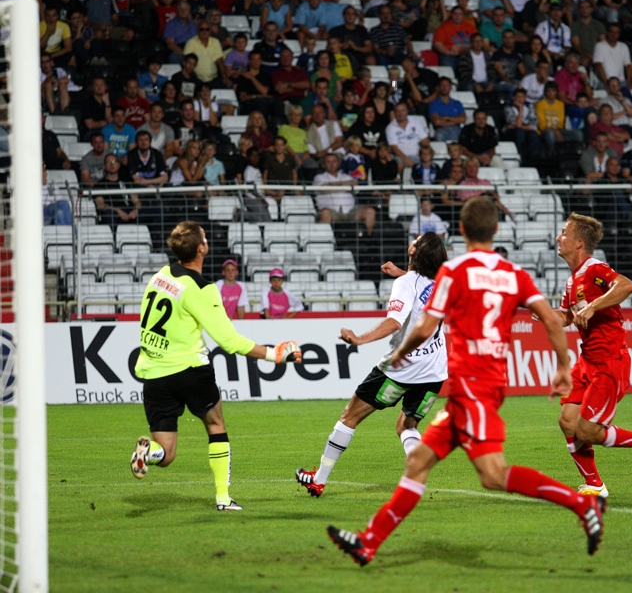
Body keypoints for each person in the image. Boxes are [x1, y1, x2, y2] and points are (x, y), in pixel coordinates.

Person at [327, 195, 606, 566]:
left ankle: (581, 504)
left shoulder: (453, 273)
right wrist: (559, 367)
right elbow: (553, 320)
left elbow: (426, 324)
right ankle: (368, 543)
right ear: (495, 229)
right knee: (418, 464)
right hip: (478, 387)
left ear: (461, 229)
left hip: (472, 388)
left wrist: (399, 353)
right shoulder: (514, 274)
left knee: (493, 475)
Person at [130, 221, 302, 513]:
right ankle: (223, 498)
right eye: (205, 238)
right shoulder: (202, 288)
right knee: (215, 424)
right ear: (201, 248)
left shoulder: (160, 276)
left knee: (167, 454)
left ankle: (150, 452)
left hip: (153, 372)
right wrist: (274, 354)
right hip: (189, 370)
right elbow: (229, 340)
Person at [296, 233, 448, 496]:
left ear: (415, 252)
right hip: (434, 370)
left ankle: (319, 479)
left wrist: (360, 339)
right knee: (406, 426)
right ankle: (417, 473)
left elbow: (395, 321)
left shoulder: (406, 283)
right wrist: (402, 274)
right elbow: (423, 293)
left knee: (349, 416)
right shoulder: (443, 283)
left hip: (401, 368)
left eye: (415, 240)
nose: (411, 240)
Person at [555, 213, 632, 498]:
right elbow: (566, 317)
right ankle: (594, 485)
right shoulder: (572, 281)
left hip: (609, 361)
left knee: (588, 431)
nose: (558, 237)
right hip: (587, 361)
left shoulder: (594, 269)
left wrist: (593, 307)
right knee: (567, 421)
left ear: (578, 242)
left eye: (564, 232)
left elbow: (626, 285)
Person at [312, 153, 375, 235]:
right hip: (332, 211)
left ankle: (369, 241)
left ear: (338, 163)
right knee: (325, 213)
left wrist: (333, 186)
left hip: (350, 210)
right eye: (328, 162)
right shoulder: (319, 177)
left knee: (370, 211)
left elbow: (355, 185)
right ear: (324, 165)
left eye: (334, 161)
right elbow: (324, 188)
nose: (332, 164)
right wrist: (344, 186)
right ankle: (325, 241)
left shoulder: (346, 176)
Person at [94, 154, 139, 228]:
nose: (112, 164)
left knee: (155, 211)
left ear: (118, 164)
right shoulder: (99, 185)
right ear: (104, 166)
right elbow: (100, 205)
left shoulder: (127, 180)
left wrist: (135, 210)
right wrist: (118, 211)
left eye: (114, 161)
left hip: (130, 211)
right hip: (113, 212)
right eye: (108, 162)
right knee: (108, 215)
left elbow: (137, 201)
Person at [386, 102, 430, 173]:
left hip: (417, 155)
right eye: (398, 111)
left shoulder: (416, 122)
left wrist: (425, 153)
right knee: (400, 165)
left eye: (403, 111)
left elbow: (425, 140)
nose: (400, 114)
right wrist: (407, 160)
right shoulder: (390, 128)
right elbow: (394, 148)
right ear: (394, 113)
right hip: (400, 156)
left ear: (407, 111)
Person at [503, 88, 542, 162]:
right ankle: (520, 156)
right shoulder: (508, 108)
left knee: (533, 135)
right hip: (512, 131)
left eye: (522, 97)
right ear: (513, 97)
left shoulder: (530, 107)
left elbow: (534, 124)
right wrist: (520, 109)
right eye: (518, 96)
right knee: (520, 132)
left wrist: (523, 126)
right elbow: (517, 125)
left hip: (526, 129)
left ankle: (534, 160)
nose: (520, 99)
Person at [183, 20, 225, 86]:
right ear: (197, 31)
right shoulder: (191, 42)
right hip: (196, 79)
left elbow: (220, 61)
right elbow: (186, 63)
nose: (204, 32)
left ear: (210, 31)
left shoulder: (216, 42)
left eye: (207, 29)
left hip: (214, 79)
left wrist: (225, 77)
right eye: (201, 29)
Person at [534, 4, 572, 69]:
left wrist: (564, 54)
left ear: (562, 13)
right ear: (549, 12)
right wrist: (552, 54)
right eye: (553, 10)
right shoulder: (542, 25)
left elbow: (568, 45)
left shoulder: (566, 28)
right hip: (545, 54)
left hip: (561, 55)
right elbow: (538, 44)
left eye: (558, 11)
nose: (556, 13)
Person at [429, 77, 466, 142]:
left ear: (450, 87)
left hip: (457, 129)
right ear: (439, 87)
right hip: (441, 130)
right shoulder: (433, 104)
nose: (444, 88)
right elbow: (437, 122)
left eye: (447, 85)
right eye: (442, 85)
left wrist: (446, 118)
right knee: (439, 135)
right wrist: (455, 121)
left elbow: (463, 119)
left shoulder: (457, 103)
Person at [570, 1, 606, 68]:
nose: (584, 10)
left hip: (597, 53)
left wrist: (598, 54)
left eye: (587, 7)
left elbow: (603, 42)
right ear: (579, 10)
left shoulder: (598, 25)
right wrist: (588, 54)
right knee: (584, 61)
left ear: (591, 9)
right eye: (582, 8)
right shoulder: (574, 25)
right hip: (581, 54)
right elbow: (576, 45)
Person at [492, 29, 526, 96]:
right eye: (506, 38)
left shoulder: (517, 55)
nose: (508, 40)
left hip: (514, 81)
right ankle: (511, 106)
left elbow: (524, 72)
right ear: (502, 39)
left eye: (510, 38)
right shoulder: (497, 55)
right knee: (514, 88)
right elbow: (501, 75)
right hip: (500, 83)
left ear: (514, 39)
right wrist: (513, 83)